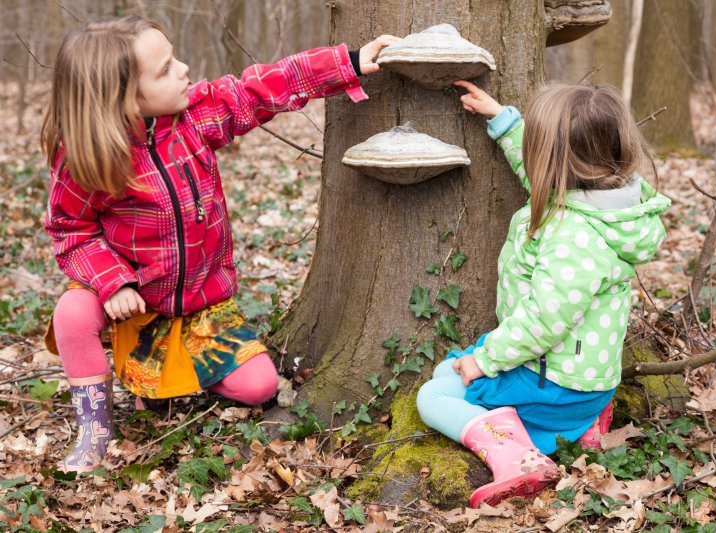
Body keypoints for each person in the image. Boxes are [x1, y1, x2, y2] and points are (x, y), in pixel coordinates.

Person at [41, 15, 397, 473]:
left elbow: (257, 88)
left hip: (199, 307)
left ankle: (165, 377)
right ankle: (95, 429)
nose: (185, 69)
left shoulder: (193, 118)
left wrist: (346, 62)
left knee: (259, 386)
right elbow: (71, 231)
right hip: (126, 301)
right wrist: (112, 282)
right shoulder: (86, 157)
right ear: (125, 99)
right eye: (166, 69)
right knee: (71, 312)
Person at [416, 80, 671, 508]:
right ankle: (583, 428)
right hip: (586, 379)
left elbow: (543, 322)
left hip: (556, 385)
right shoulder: (612, 205)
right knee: (449, 370)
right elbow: (542, 175)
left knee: (435, 394)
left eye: (535, 146)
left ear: (553, 161)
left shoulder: (573, 234)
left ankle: (520, 458)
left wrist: (486, 360)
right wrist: (505, 122)